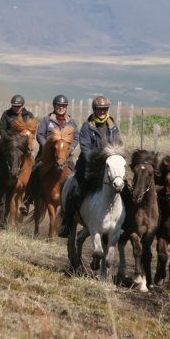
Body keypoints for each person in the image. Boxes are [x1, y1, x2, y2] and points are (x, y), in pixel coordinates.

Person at [57, 95, 121, 238]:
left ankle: (122, 223)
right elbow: (85, 149)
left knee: (123, 187)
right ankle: (67, 222)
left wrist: (114, 161)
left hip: (109, 168)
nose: (102, 112)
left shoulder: (113, 126)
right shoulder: (87, 126)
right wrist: (99, 161)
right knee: (75, 190)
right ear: (94, 110)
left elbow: (117, 145)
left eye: (104, 109)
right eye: (99, 109)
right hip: (87, 167)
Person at [20, 94, 78, 215]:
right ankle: (28, 200)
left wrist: (70, 149)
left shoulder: (71, 123)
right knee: (36, 169)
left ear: (66, 107)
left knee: (75, 172)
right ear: (54, 106)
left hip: (65, 155)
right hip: (46, 155)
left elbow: (76, 137)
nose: (61, 107)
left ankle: (74, 203)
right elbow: (40, 134)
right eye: (58, 105)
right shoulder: (47, 120)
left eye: (63, 105)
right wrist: (47, 146)